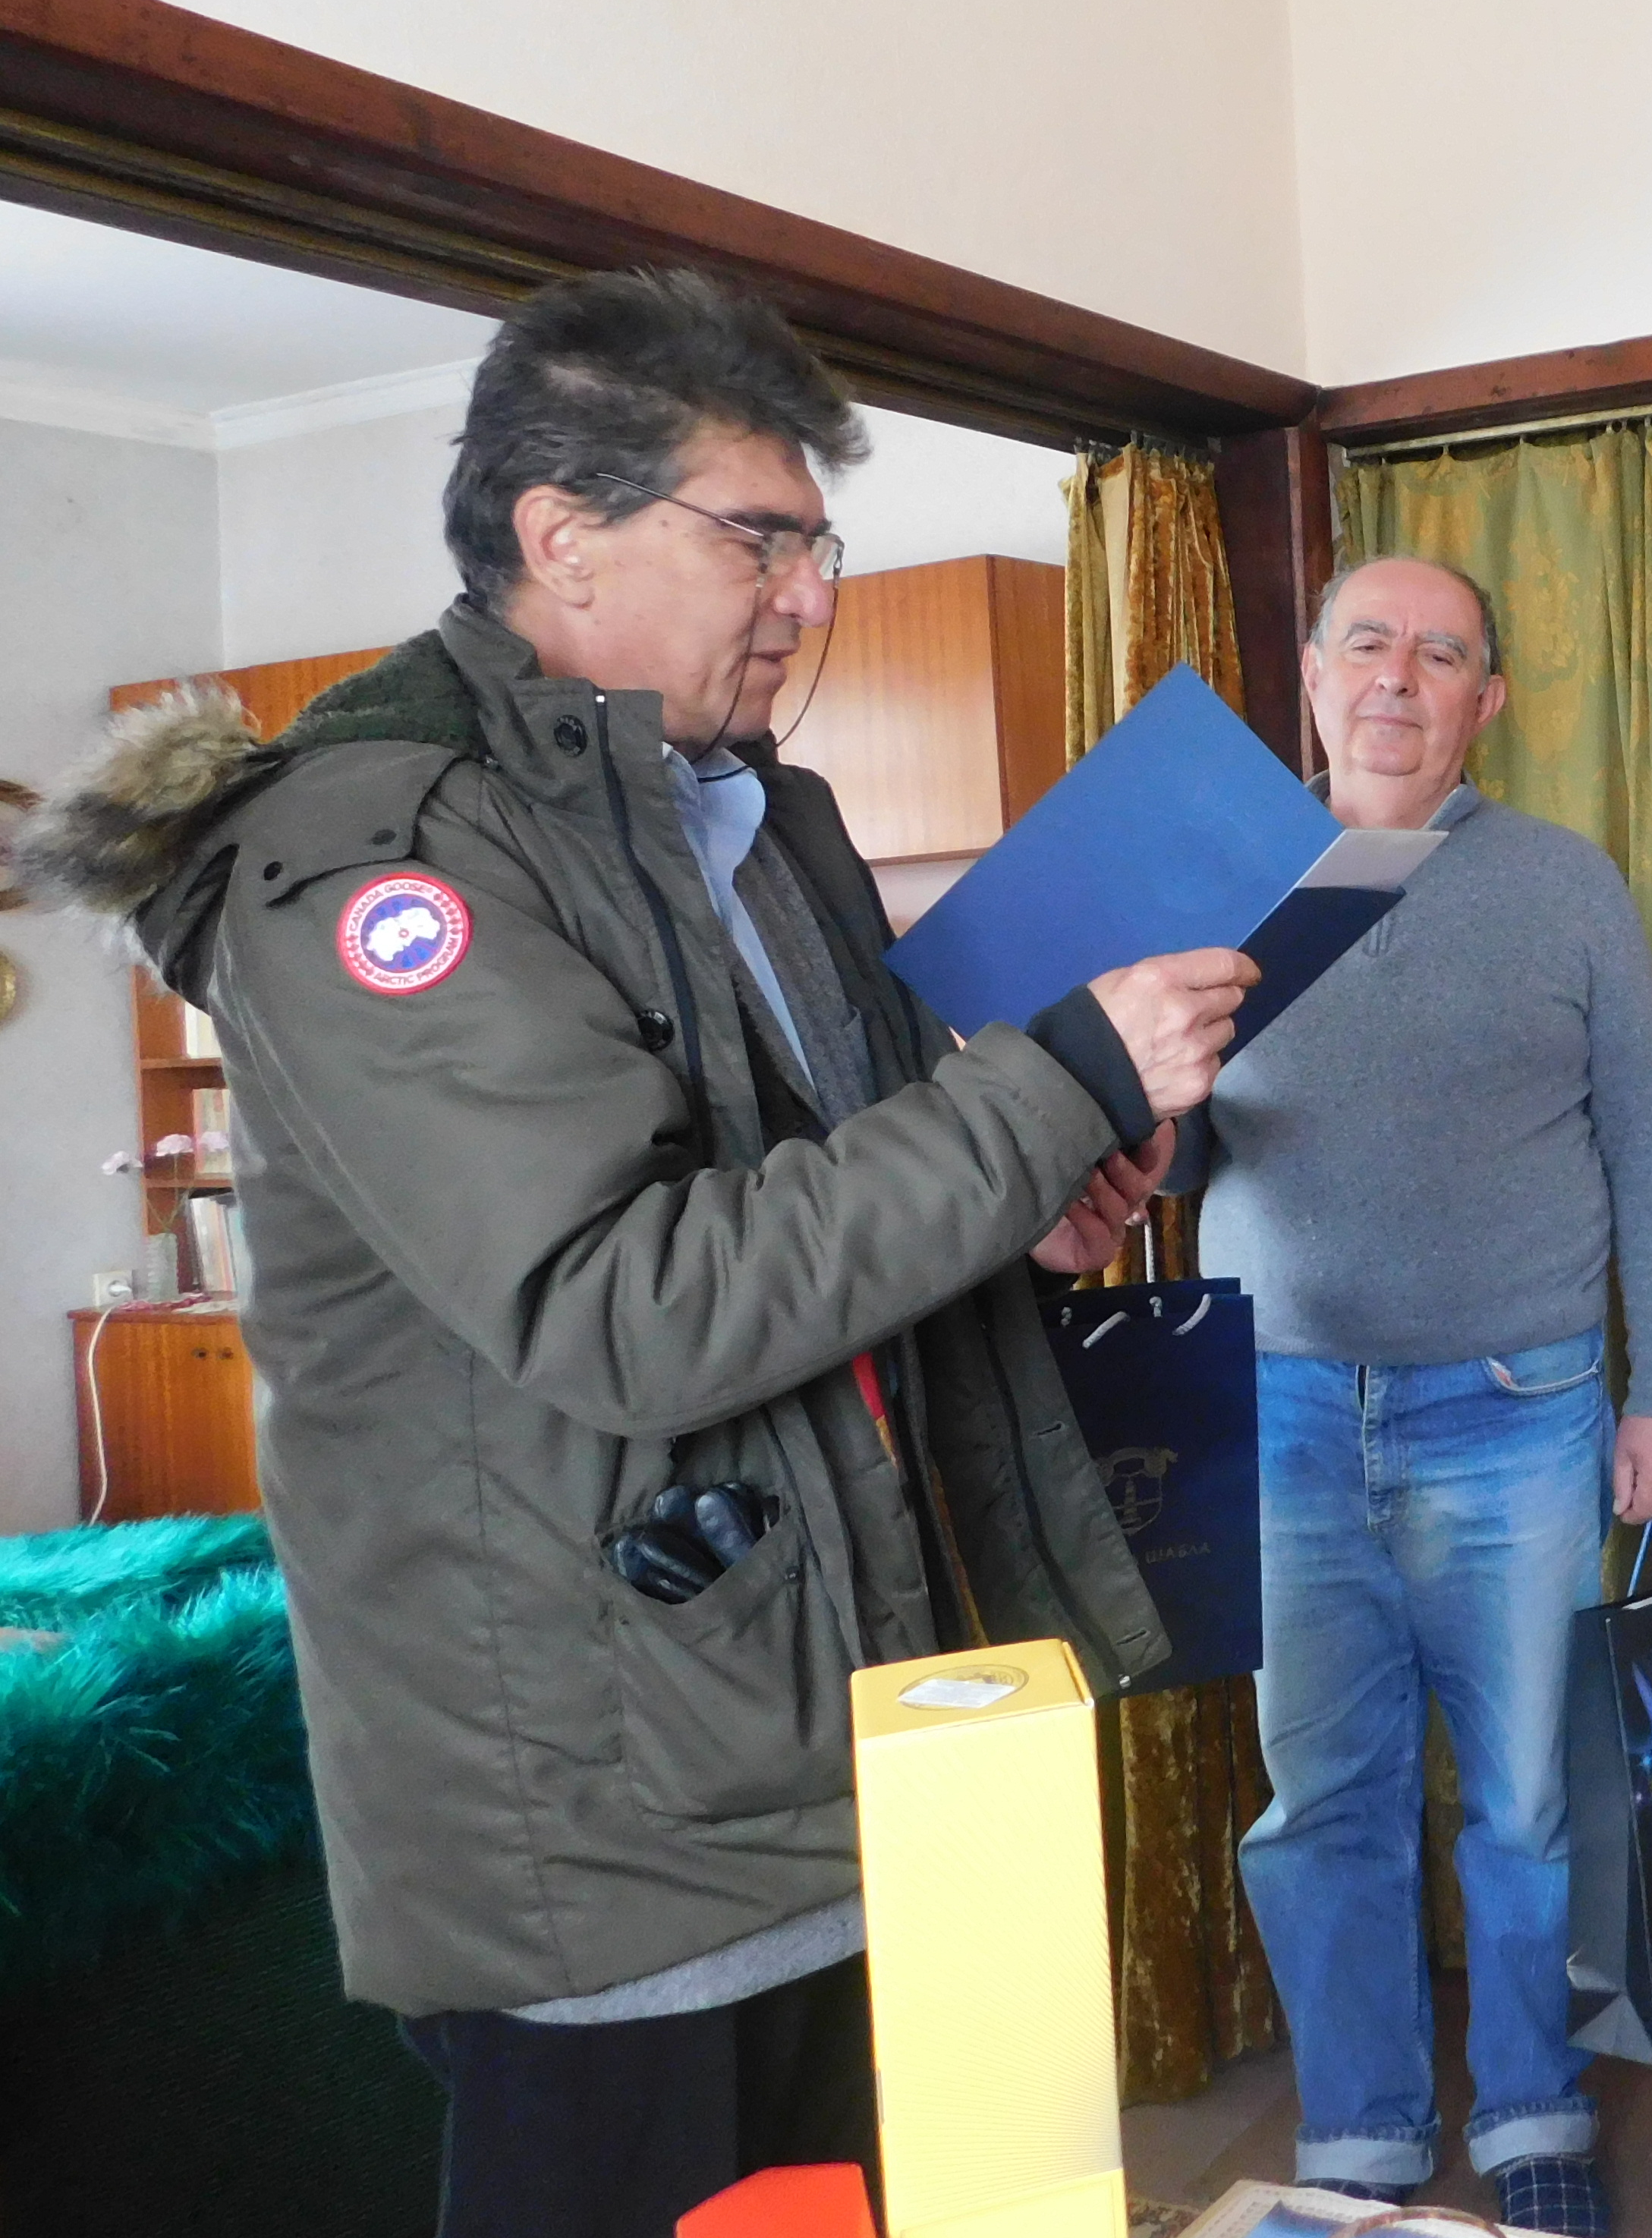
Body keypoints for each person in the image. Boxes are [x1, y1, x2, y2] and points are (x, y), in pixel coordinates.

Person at [17, 268, 1256, 2238]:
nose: (811, 597)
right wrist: (1057, 1082)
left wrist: (1020, 1213)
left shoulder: (763, 816)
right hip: (623, 1822)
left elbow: (822, 1210)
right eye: (759, 539)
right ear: (563, 535)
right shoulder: (380, 850)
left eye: (819, 546)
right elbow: (627, 1305)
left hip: (862, 1738)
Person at [1166, 552, 1652, 2238]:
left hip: (1519, 1403)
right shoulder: (1221, 882)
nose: (1398, 675)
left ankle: (1537, 2108)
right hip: (1280, 1411)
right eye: (1367, 642)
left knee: (1526, 1796)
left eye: (1441, 652)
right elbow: (1168, 1159)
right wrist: (1125, 1095)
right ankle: (1364, 2136)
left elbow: (1651, 1151)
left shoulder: (1563, 884)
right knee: (1322, 1800)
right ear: (1314, 676)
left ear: (1487, 699)